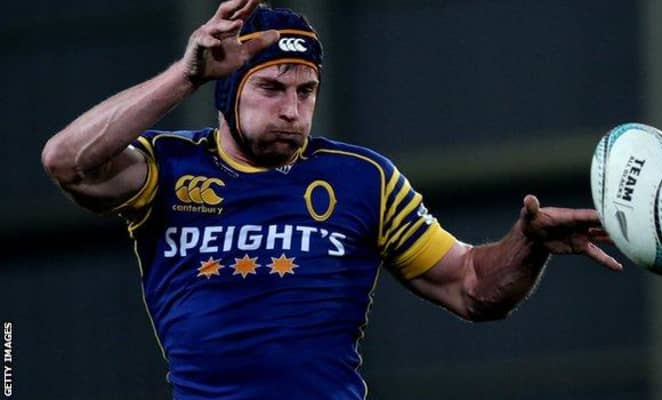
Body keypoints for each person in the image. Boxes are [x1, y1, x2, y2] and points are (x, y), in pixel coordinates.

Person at [41, 1, 622, 399]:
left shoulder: (363, 178)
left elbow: (471, 287)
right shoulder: (168, 168)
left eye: (307, 90)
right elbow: (66, 162)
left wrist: (528, 244)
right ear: (226, 92)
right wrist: (186, 76)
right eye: (271, 88)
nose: (292, 110)